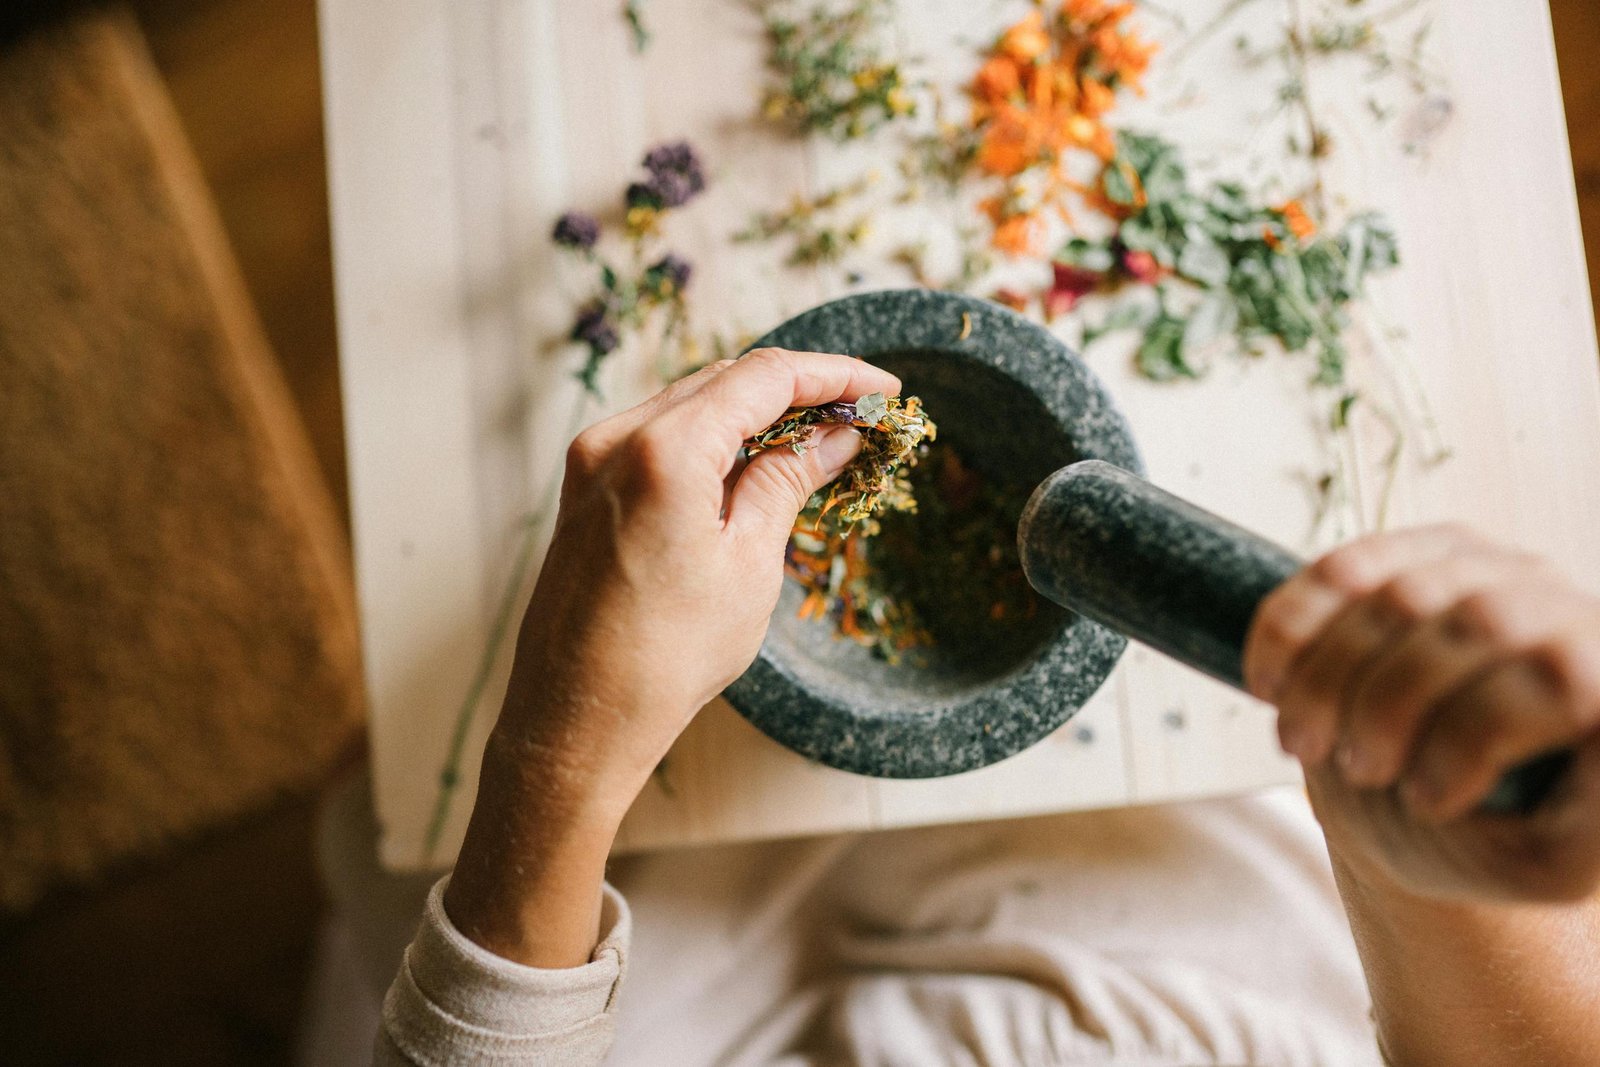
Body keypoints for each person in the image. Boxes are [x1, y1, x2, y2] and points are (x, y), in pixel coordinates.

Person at [369, 349, 1600, 1066]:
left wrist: (558, 747)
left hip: (708, 1019)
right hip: (1217, 940)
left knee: (391, 815)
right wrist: (1433, 868)